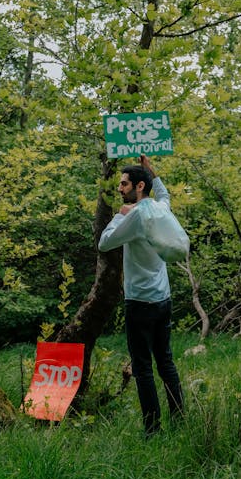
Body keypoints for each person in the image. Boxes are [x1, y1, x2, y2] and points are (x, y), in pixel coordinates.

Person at [98, 155, 183, 436]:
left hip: (139, 304)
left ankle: (153, 430)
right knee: (166, 362)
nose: (120, 188)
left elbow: (104, 243)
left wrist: (119, 215)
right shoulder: (160, 210)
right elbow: (165, 195)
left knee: (143, 368)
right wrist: (152, 171)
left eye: (124, 184)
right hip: (163, 300)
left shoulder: (134, 217)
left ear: (139, 186)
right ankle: (179, 421)